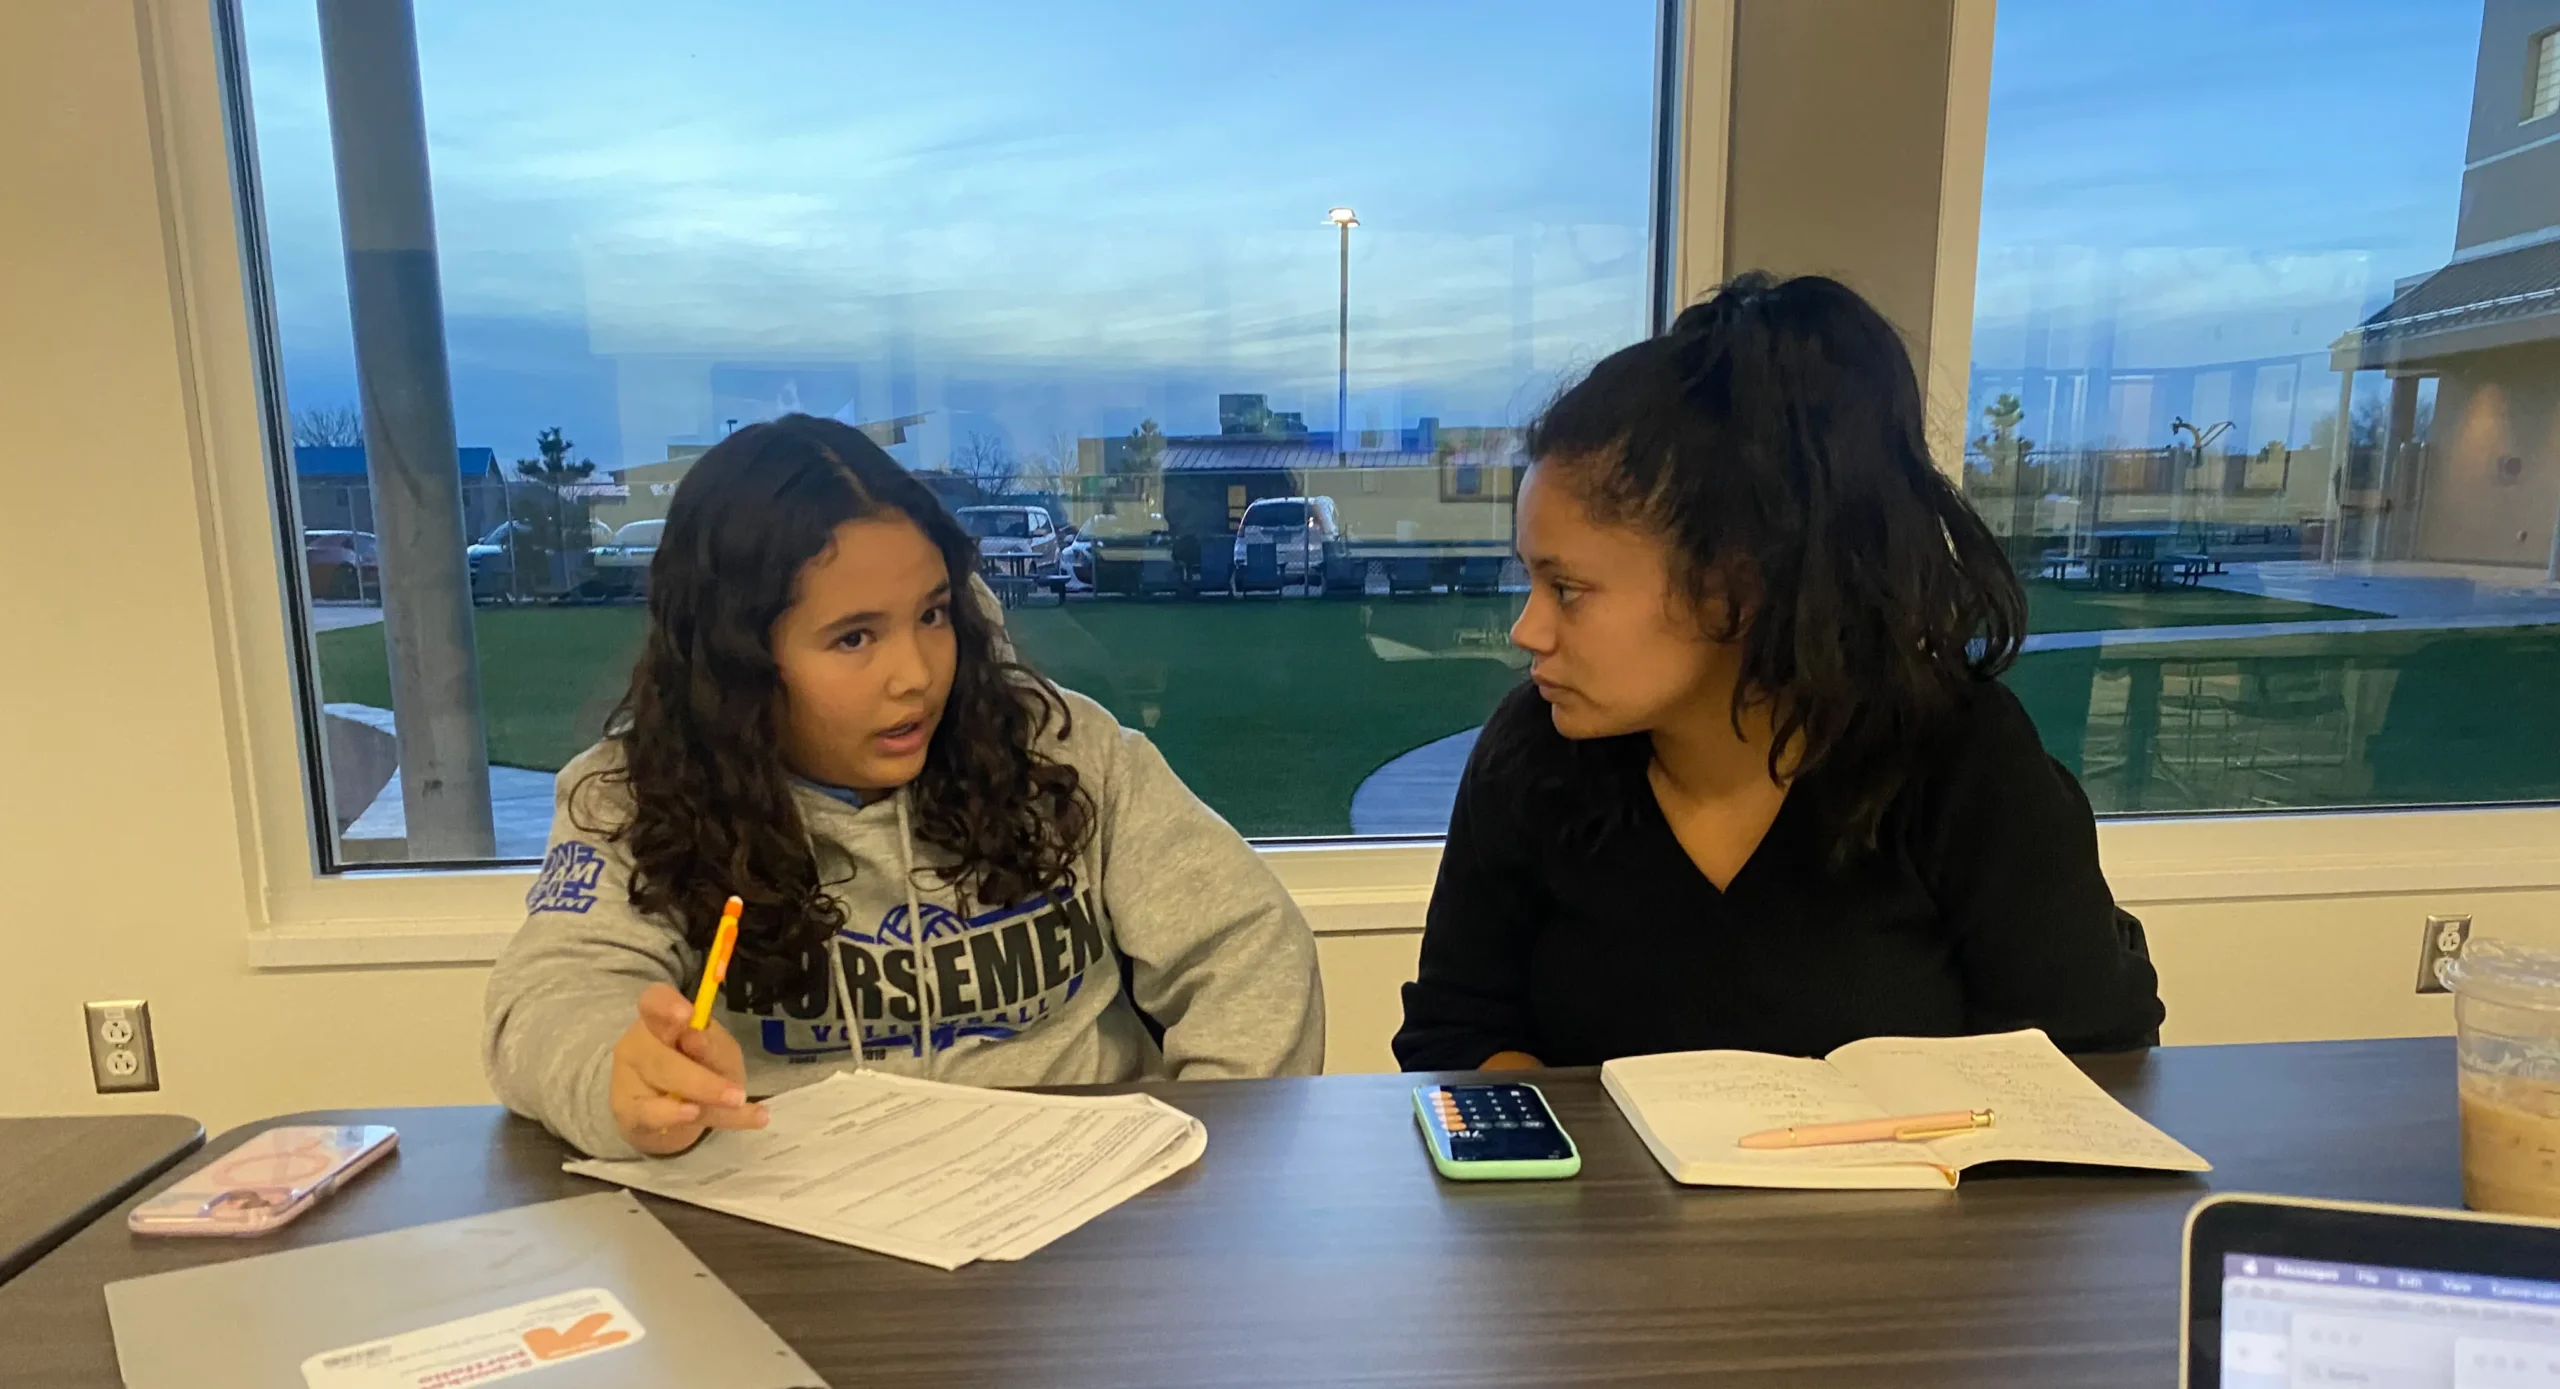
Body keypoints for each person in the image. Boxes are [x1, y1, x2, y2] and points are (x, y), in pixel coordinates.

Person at [486, 413, 1324, 1159]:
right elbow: (552, 996)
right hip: (791, 1240)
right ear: (737, 661)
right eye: (853, 638)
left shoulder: (1066, 749)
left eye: (931, 615)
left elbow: (1250, 948)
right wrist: (618, 1079)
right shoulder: (631, 796)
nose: (915, 674)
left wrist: (1204, 1158)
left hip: (1076, 1236)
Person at [1393, 273, 2163, 1073]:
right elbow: (1455, 1037)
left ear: (1733, 586)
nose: (1528, 630)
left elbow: (2092, 1060)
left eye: (1568, 589)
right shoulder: (1533, 756)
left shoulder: (1959, 760)